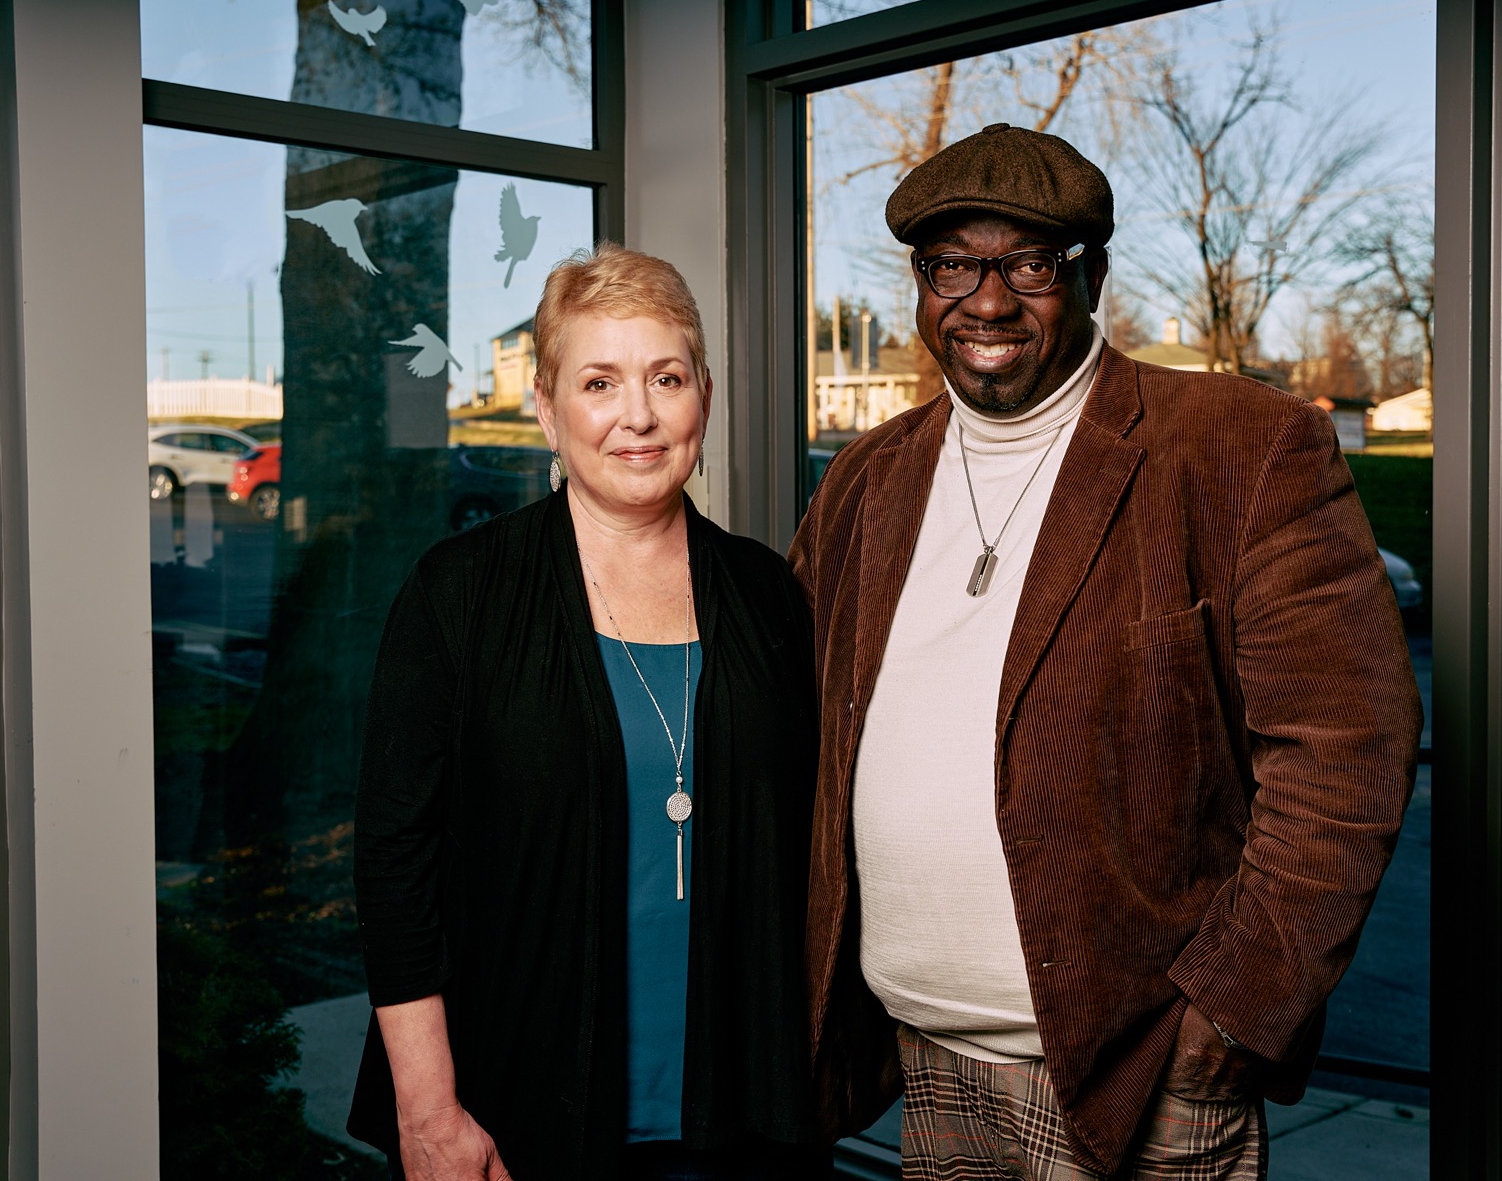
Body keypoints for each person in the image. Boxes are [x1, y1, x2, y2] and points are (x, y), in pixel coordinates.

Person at [790, 123, 1423, 1180]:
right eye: (953, 265)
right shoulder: (867, 478)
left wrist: (1235, 1011)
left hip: (1139, 1071)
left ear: (1092, 274)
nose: (986, 303)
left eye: (1028, 265)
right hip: (926, 1062)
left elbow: (1348, 753)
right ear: (919, 279)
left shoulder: (1237, 446)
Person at [348, 244, 829, 1180]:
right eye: (600, 382)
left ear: (706, 396)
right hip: (512, 1121)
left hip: (745, 1124)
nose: (638, 416)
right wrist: (429, 1113)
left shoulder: (770, 594)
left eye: (666, 377)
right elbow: (393, 864)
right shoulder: (462, 593)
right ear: (546, 407)